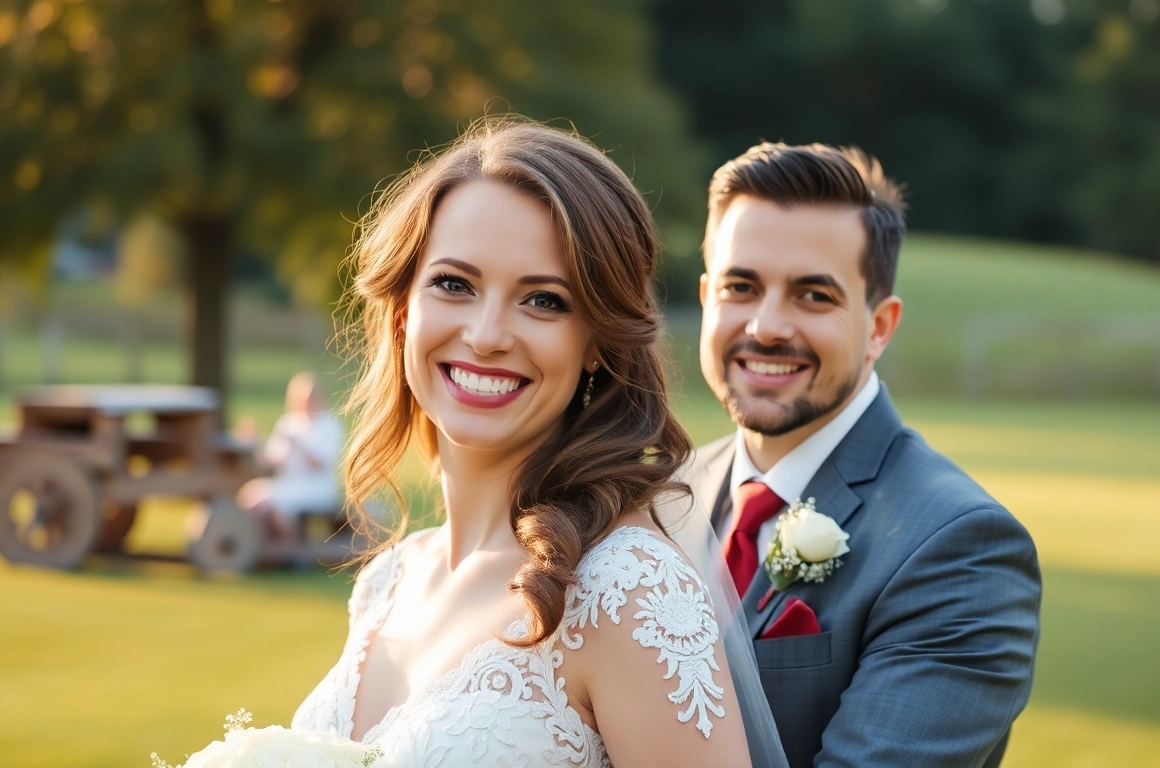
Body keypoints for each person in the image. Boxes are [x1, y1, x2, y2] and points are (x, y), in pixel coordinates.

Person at [291, 118, 767, 767]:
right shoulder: (387, 581)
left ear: (597, 340)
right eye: (454, 284)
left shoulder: (627, 588)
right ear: (404, 309)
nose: (487, 334)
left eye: (543, 300)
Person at [681, 141, 1042, 767]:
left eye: (813, 296)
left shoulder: (962, 550)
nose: (766, 326)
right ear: (709, 295)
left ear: (879, 327)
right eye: (742, 286)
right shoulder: (661, 497)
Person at [237, 371, 345, 562]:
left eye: (311, 397)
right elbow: (271, 461)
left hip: (316, 486)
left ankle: (293, 553)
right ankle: (261, 547)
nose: (307, 402)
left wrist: (297, 443)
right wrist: (252, 442)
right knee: (251, 496)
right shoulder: (288, 423)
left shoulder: (330, 424)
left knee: (276, 506)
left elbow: (320, 464)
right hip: (288, 483)